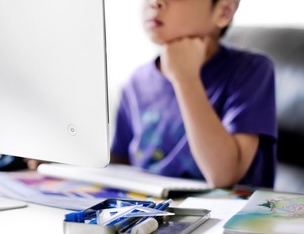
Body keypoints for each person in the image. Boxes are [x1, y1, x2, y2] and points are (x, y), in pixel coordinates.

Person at [110, 0, 277, 188]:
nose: (155, 2)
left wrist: (186, 79)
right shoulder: (137, 81)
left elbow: (223, 177)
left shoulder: (251, 70)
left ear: (224, 11)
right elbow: (118, 165)